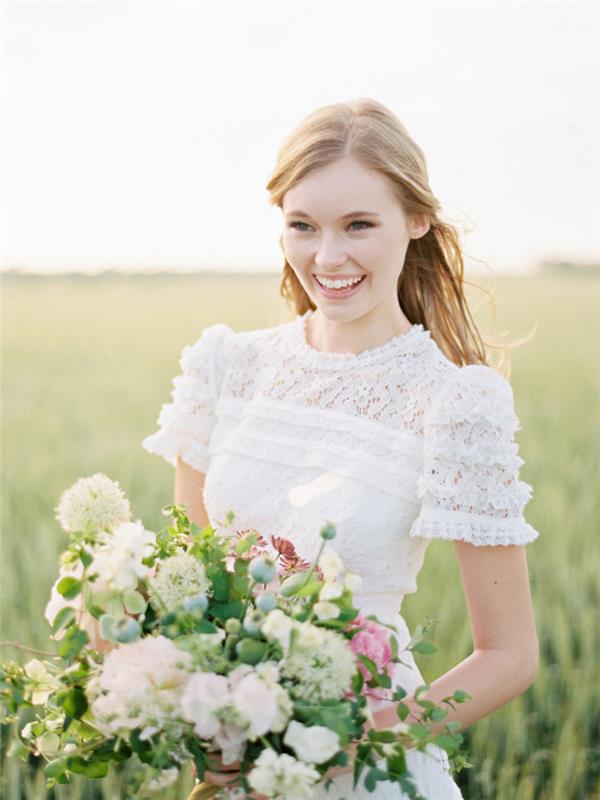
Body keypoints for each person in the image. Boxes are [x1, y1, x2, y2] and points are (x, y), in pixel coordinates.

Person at [142, 98, 540, 799]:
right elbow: (193, 591)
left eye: (359, 224)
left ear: (417, 220)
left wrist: (354, 747)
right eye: (303, 226)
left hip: (370, 765)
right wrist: (202, 719)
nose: (327, 257)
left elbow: (508, 655)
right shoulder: (227, 366)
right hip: (238, 760)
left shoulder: (453, 401)